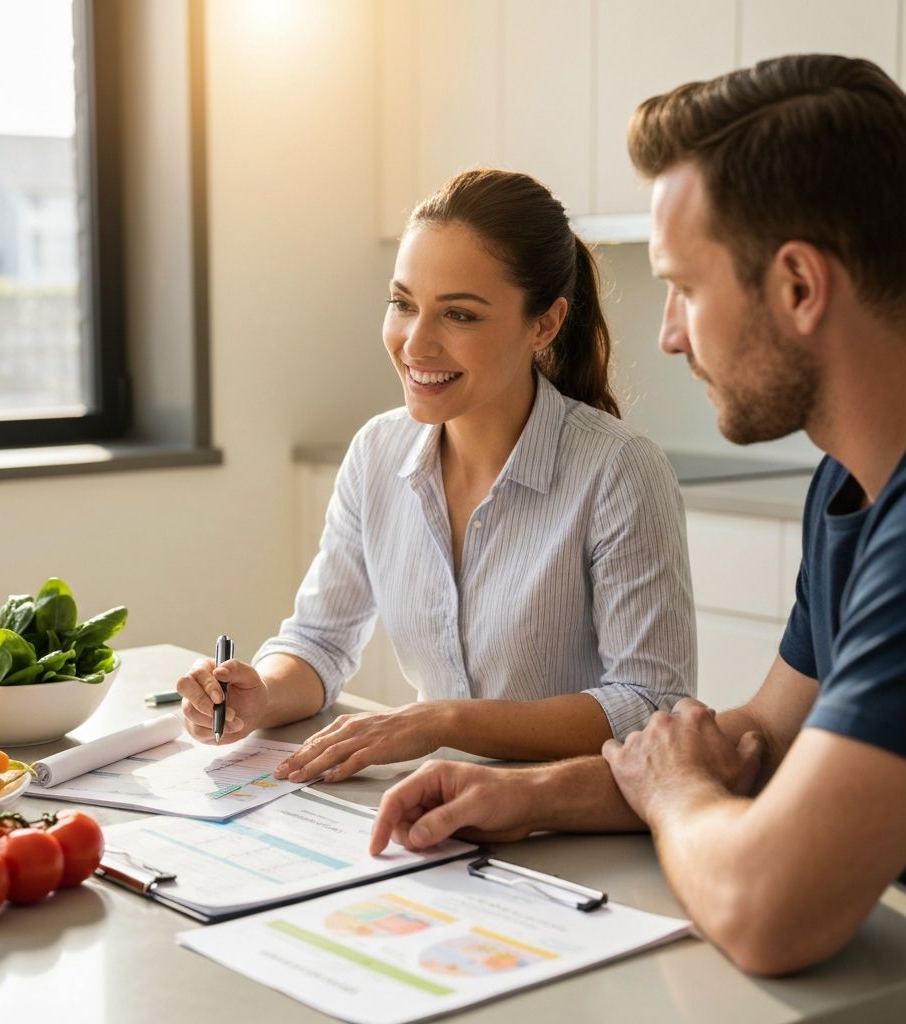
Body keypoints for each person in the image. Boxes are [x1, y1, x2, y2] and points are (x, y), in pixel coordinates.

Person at [369, 54, 906, 978]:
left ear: (799, 287)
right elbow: (762, 743)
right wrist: (527, 794)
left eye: (686, 289)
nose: (666, 332)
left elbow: (767, 909)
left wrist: (672, 793)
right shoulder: (850, 487)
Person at [176, 168, 695, 782]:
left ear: (545, 324)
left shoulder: (619, 471)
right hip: (433, 809)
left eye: (459, 315)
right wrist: (261, 692)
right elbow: (318, 643)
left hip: (566, 819)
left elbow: (651, 704)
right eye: (402, 304)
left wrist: (441, 721)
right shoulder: (377, 452)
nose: (415, 344)